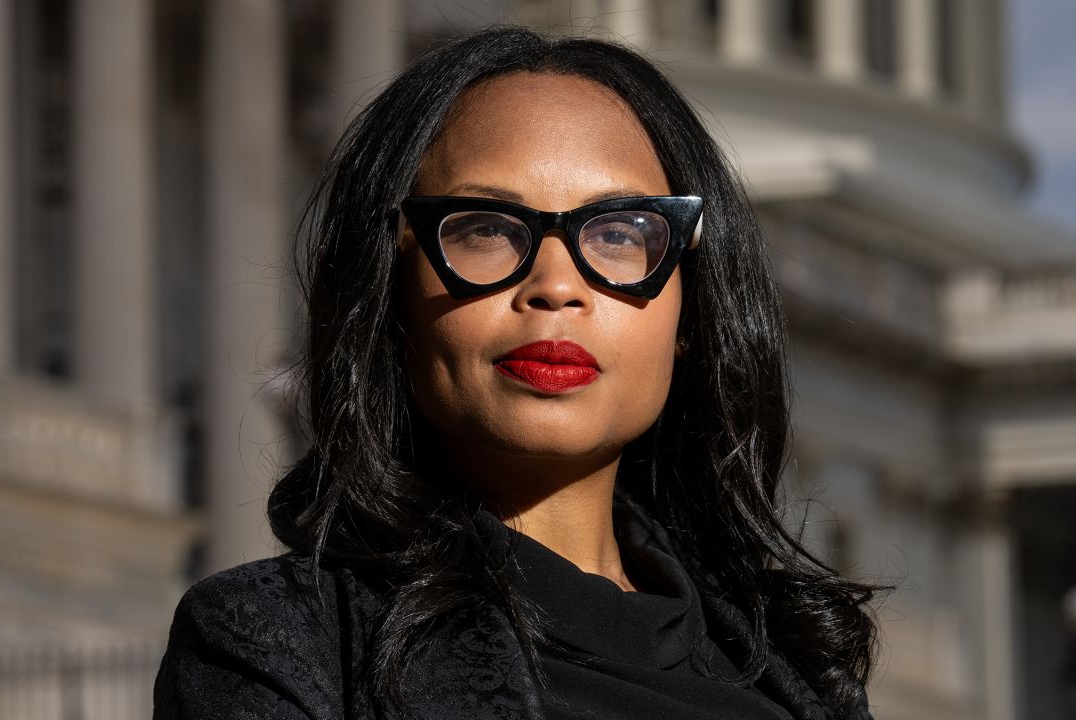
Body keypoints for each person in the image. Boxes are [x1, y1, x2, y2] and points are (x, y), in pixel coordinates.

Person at [153, 25, 882, 720]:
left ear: (691, 312)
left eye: (621, 232)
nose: (556, 284)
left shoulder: (804, 675)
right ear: (385, 292)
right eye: (485, 230)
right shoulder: (279, 644)